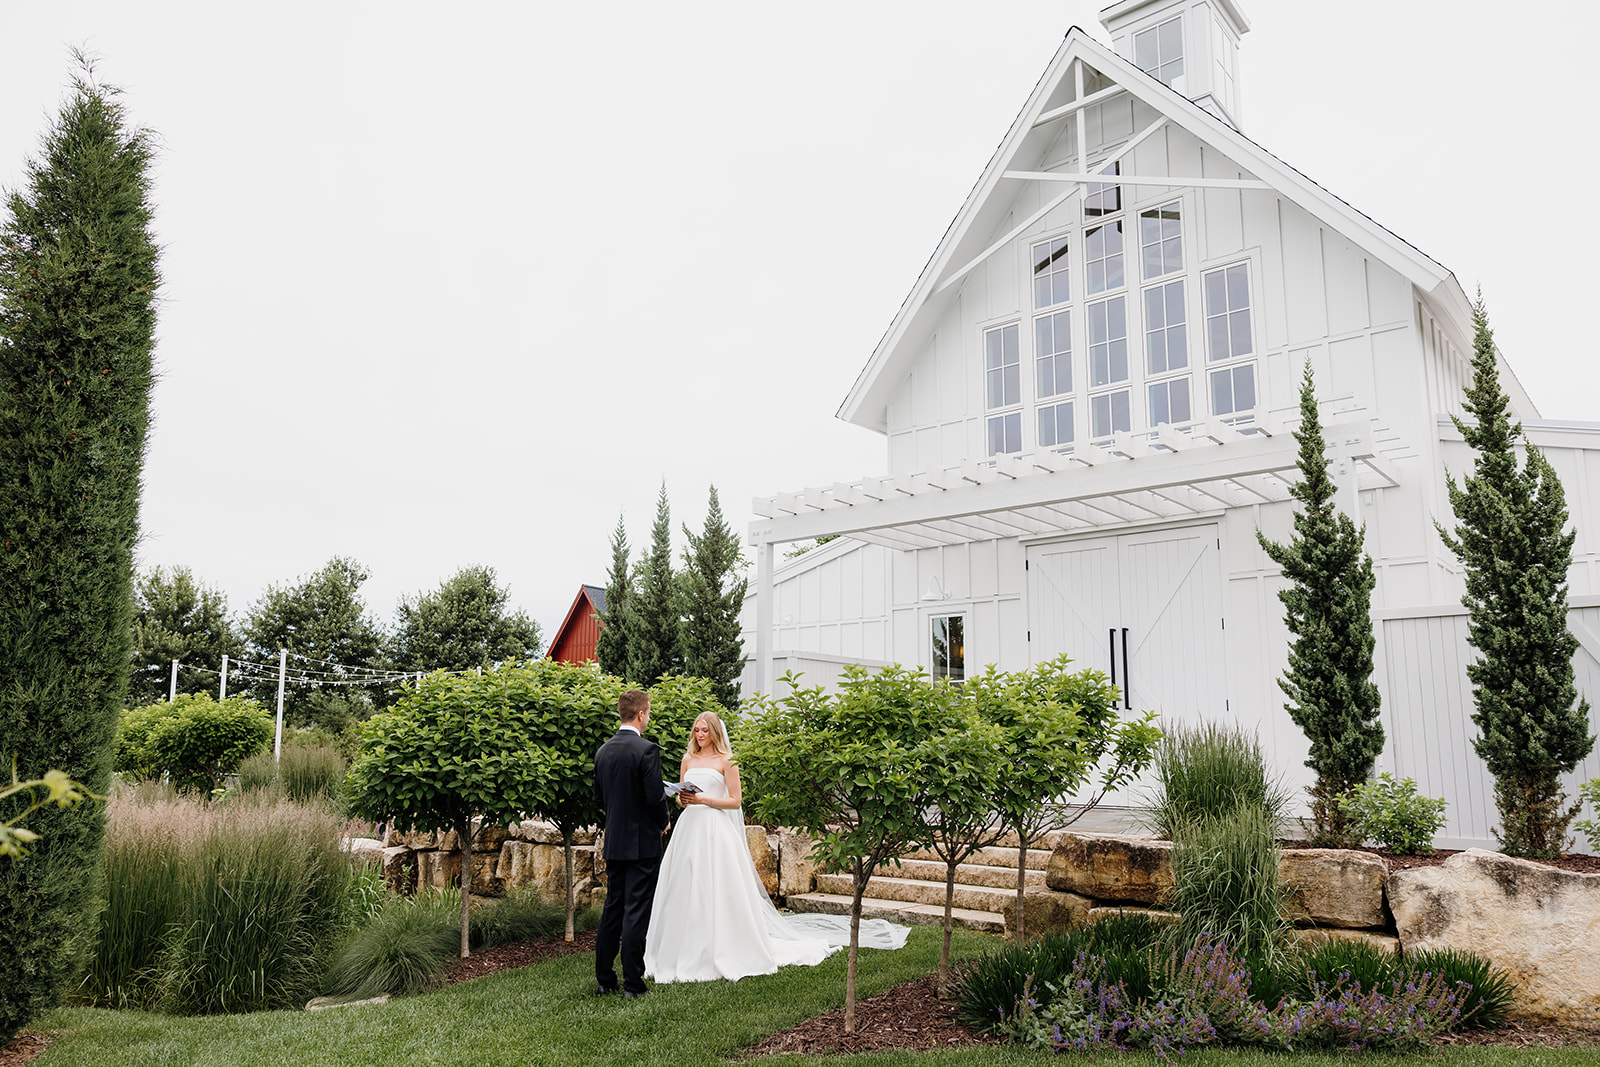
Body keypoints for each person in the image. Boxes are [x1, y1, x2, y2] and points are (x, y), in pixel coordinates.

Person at [644, 711, 908, 983]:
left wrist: (704, 800)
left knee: (716, 885)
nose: (700, 735)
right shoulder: (688, 759)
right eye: (697, 730)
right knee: (686, 883)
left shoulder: (726, 760)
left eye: (705, 730)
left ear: (715, 732)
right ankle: (681, 945)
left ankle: (720, 944)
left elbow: (735, 801)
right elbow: (682, 799)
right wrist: (683, 799)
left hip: (715, 831)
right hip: (689, 829)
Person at [592, 688, 669, 998]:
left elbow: (600, 799)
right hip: (642, 845)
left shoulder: (603, 752)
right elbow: (655, 797)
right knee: (636, 912)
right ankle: (633, 985)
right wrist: (663, 821)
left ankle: (605, 979)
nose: (648, 719)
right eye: (647, 714)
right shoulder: (646, 750)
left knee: (613, 909)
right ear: (640, 714)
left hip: (615, 842)